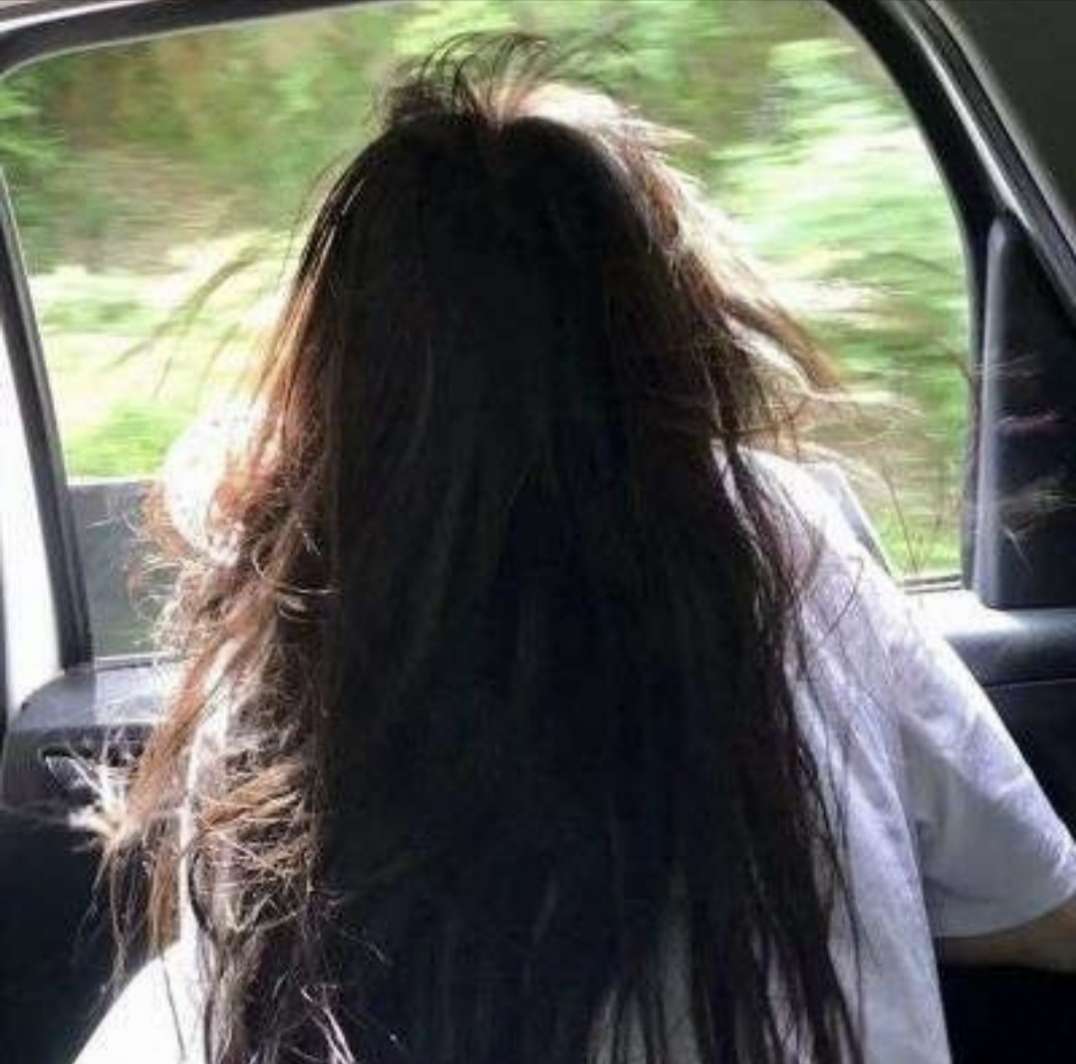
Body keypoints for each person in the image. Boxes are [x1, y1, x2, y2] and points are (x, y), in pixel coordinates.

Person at [75, 35, 1076, 1064]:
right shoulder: (779, 538)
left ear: (340, 369)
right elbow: (1042, 906)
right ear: (665, 329)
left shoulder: (288, 633)